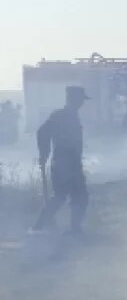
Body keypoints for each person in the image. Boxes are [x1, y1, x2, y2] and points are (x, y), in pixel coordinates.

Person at [33, 86, 89, 234]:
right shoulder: (60, 115)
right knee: (61, 197)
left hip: (73, 164)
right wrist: (44, 153)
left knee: (79, 198)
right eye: (80, 100)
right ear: (72, 99)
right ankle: (39, 227)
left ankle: (74, 228)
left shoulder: (73, 115)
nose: (82, 103)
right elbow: (42, 132)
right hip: (63, 164)